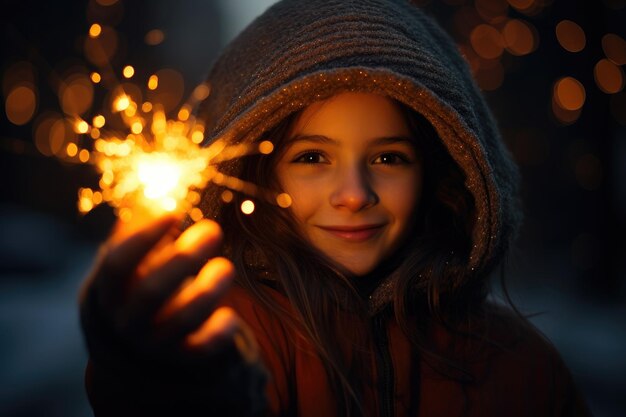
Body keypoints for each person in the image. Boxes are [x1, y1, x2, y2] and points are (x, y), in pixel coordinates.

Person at [79, 0, 592, 416]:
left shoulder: (520, 367)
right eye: (312, 157)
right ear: (259, 173)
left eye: (389, 157)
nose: (353, 193)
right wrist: (141, 367)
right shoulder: (225, 333)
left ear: (442, 172)